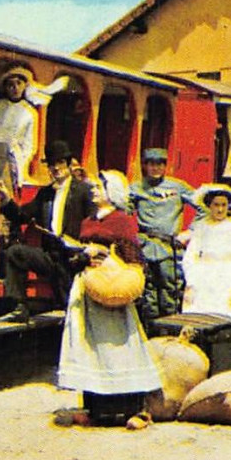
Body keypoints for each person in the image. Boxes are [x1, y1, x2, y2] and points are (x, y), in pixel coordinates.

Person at [55, 170, 161, 429]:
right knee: (90, 345)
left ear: (112, 191)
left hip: (113, 288)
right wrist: (81, 257)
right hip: (89, 288)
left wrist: (105, 255)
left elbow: (133, 257)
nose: (93, 191)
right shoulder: (87, 221)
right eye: (93, 187)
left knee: (120, 346)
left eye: (99, 187)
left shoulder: (122, 220)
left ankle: (136, 410)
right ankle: (96, 410)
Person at [0, 139, 94, 322]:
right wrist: (6, 201)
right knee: (15, 253)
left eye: (60, 163)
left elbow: (93, 223)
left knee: (72, 313)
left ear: (68, 164)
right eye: (52, 164)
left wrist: (84, 249)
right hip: (51, 256)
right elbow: (22, 216)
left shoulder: (83, 191)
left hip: (73, 258)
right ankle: (19, 306)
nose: (56, 168)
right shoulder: (45, 194)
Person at [128, 147, 193, 327]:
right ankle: (150, 331)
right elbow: (123, 210)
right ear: (145, 166)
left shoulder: (177, 187)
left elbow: (203, 205)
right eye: (151, 164)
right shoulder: (136, 188)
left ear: (165, 166)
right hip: (146, 245)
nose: (155, 168)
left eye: (160, 164)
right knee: (147, 291)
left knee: (170, 289)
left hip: (168, 247)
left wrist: (191, 231)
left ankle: (170, 331)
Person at [181, 184, 231, 321]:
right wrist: (191, 283)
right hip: (204, 278)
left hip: (228, 277)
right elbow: (190, 258)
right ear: (209, 206)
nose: (220, 209)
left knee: (229, 314)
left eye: (224, 205)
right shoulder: (201, 228)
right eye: (216, 205)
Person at [0, 67, 39, 191]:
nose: (15, 88)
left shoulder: (30, 113)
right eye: (11, 85)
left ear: (24, 86)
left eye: (19, 83)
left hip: (14, 158)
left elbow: (30, 145)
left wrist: (20, 163)